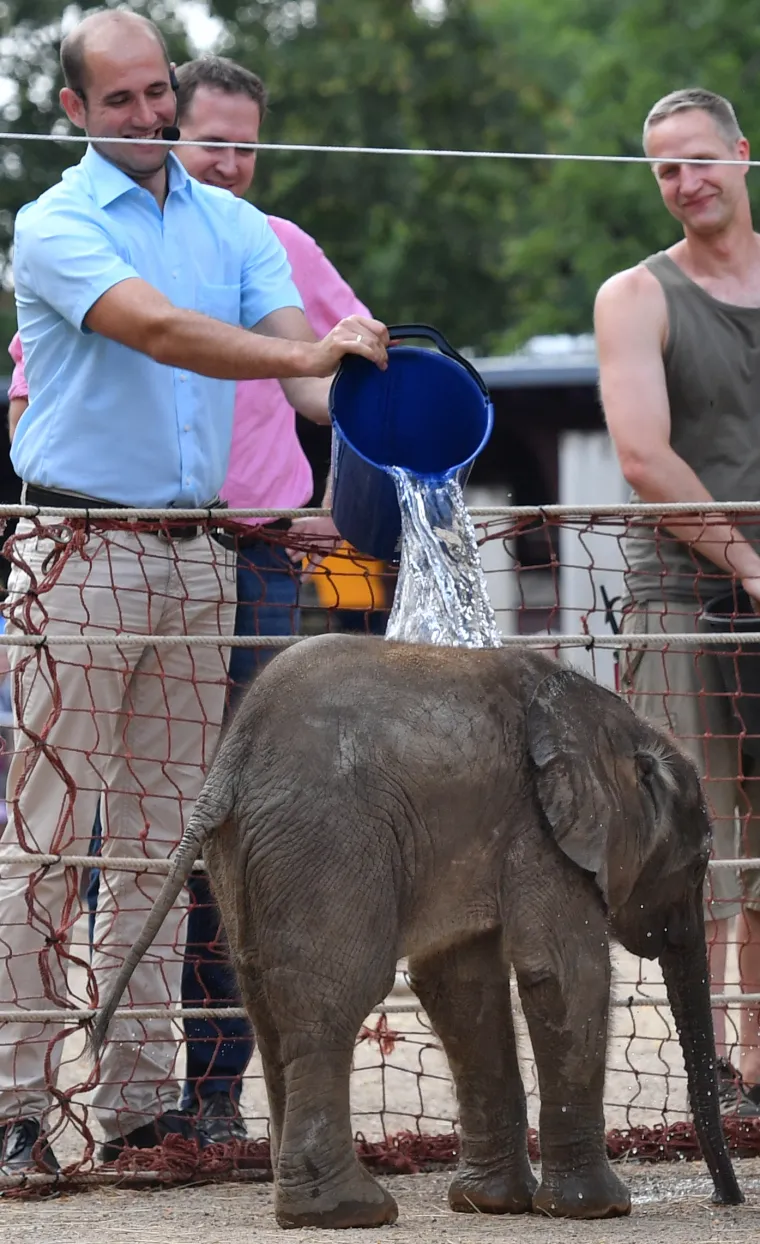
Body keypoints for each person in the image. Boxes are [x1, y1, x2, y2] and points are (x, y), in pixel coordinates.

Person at [0, 8, 387, 1176]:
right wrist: (307, 356)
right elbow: (164, 333)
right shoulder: (53, 223)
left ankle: (135, 1105)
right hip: (80, 546)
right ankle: (15, 1102)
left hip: (202, 551)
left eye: (155, 90)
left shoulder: (234, 223)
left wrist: (373, 377)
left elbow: (300, 369)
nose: (149, 114)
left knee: (167, 847)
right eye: (117, 100)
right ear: (72, 110)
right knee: (45, 839)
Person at [595, 87, 760, 1116]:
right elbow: (642, 456)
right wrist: (746, 559)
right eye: (664, 168)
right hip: (680, 593)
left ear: (743, 155)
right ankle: (707, 1080)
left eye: (700, 160)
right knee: (695, 847)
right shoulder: (635, 295)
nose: (686, 183)